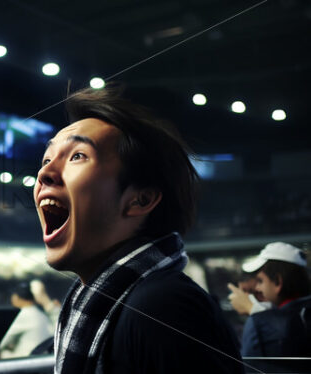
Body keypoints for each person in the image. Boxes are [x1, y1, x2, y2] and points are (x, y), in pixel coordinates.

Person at [34, 85, 243, 373]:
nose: (44, 173)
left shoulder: (165, 307)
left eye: (77, 156)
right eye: (47, 159)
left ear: (139, 200)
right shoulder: (121, 303)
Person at [238, 242, 311, 356]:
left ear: (278, 281)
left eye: (261, 281)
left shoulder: (258, 324)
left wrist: (255, 313)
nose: (257, 287)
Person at [0, 282, 53, 359]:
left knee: (1, 352)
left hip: (26, 360)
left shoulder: (23, 314)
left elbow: (3, 343)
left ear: (15, 297)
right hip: (41, 357)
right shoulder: (41, 313)